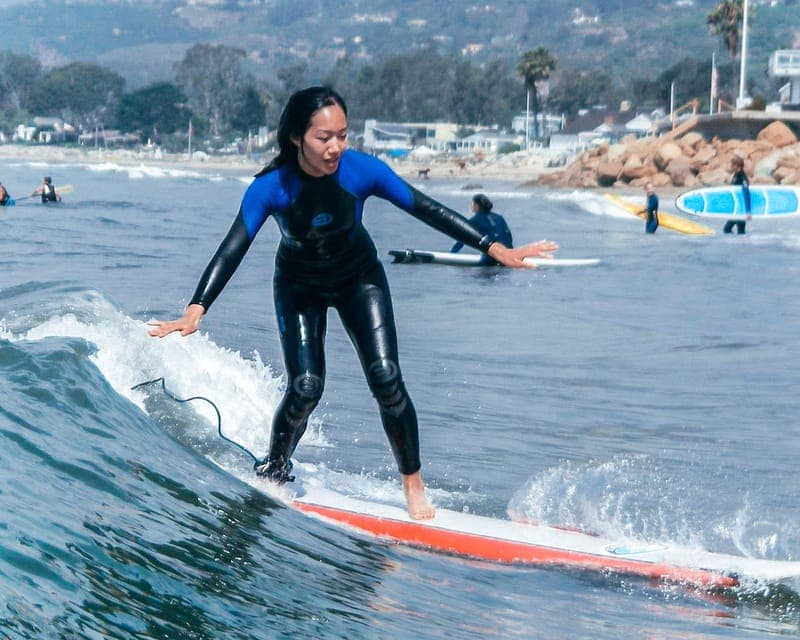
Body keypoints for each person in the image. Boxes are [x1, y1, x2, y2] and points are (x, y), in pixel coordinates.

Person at [148, 86, 558, 520]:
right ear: (295, 137)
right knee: (306, 387)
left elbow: (424, 207)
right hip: (299, 285)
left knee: (386, 376)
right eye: (324, 137)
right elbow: (234, 245)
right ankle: (275, 466)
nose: (336, 147)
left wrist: (493, 247)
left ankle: (413, 485)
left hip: (359, 279)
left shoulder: (360, 170)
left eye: (343, 135)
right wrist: (196, 309)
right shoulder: (271, 187)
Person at [450, 193, 513, 264]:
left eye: (472, 204)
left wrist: (452, 253)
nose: (471, 206)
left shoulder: (474, 220)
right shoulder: (499, 217)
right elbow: (509, 237)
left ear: (476, 206)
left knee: (475, 273)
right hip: (508, 253)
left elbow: (462, 238)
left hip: (492, 255)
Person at [723, 155, 750, 235]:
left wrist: (748, 212)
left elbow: (746, 194)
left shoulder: (743, 178)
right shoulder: (736, 175)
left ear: (737, 166)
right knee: (727, 230)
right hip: (736, 210)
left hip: (741, 211)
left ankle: (743, 246)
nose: (730, 167)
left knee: (741, 234)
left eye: (732, 165)